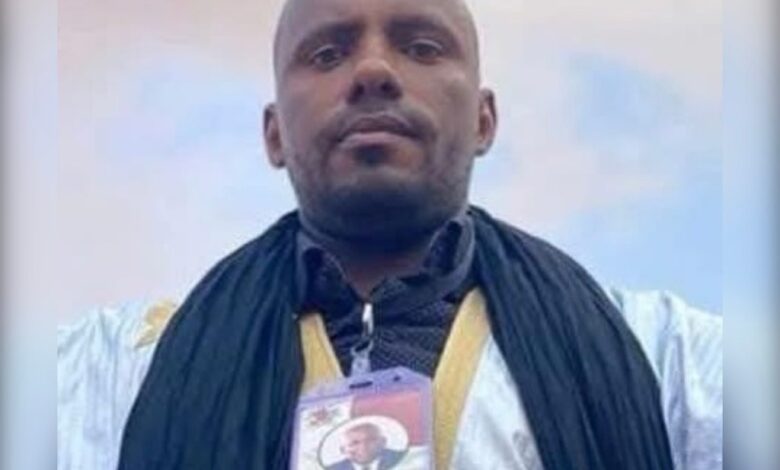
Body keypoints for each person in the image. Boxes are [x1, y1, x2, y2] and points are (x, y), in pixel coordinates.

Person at [57, 0, 722, 469]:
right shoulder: (113, 376)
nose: (373, 71)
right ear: (274, 134)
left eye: (422, 46)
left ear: (484, 119)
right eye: (327, 53)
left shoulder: (666, 361)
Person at [328, 423, 405, 470]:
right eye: (354, 443)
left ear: (383, 442)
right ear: (343, 450)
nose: (363, 447)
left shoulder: (403, 458)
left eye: (370, 440)